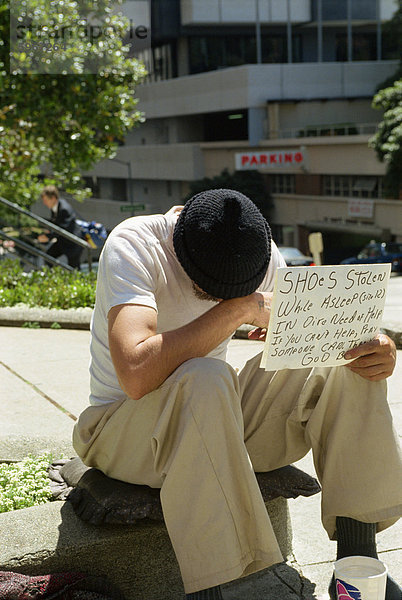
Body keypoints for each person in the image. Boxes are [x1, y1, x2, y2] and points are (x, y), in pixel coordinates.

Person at [72, 189, 402, 600]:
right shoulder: (136, 243)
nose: (227, 296)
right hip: (123, 430)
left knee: (342, 354)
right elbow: (136, 373)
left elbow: (321, 335)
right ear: (182, 254)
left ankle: (358, 569)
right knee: (206, 376)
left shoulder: (256, 250)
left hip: (214, 421)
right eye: (213, 290)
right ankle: (219, 588)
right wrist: (236, 309)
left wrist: (375, 349)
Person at [38, 185, 83, 269]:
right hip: (63, 240)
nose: (44, 203)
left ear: (53, 198)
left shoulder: (64, 209)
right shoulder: (55, 206)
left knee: (74, 268)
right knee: (49, 256)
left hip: (73, 243)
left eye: (46, 200)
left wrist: (48, 237)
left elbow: (62, 228)